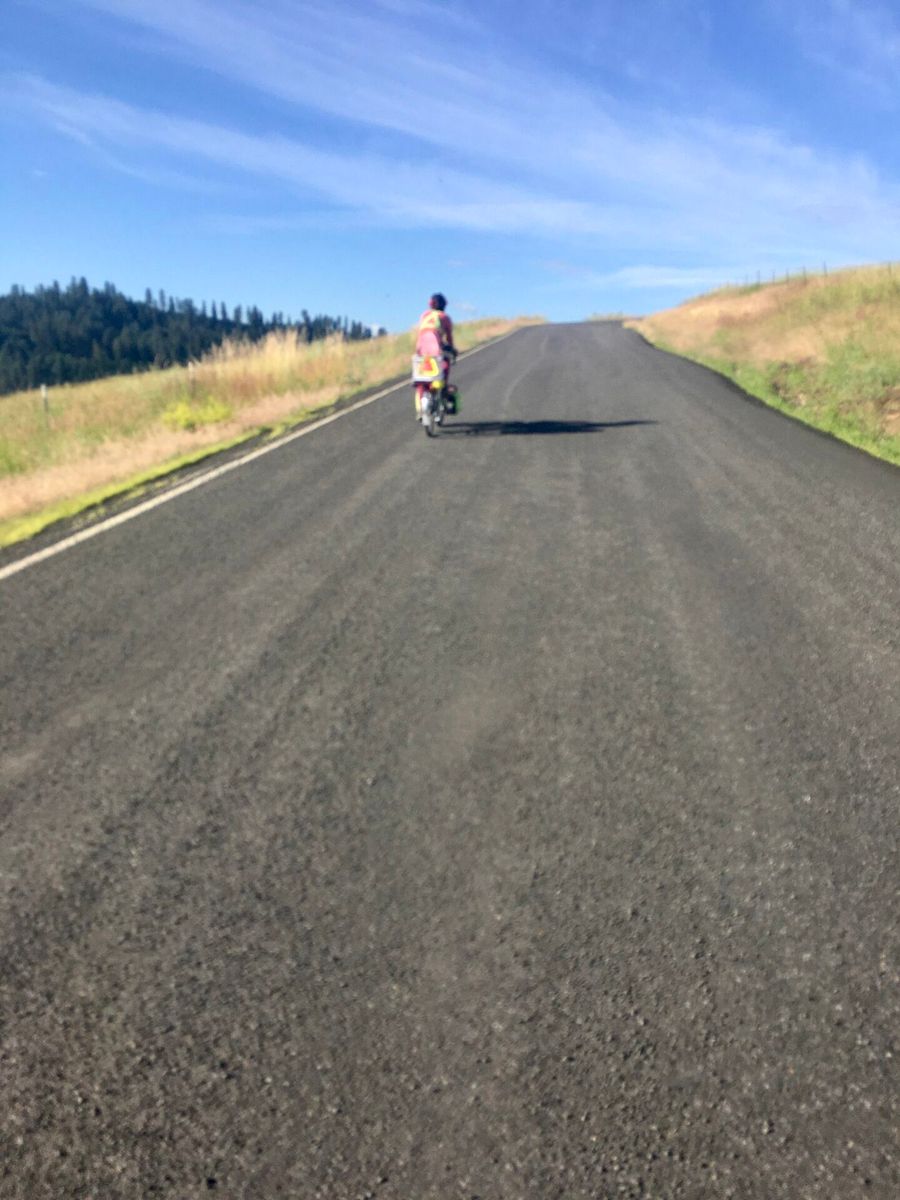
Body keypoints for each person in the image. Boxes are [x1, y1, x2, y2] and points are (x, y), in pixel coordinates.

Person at [414, 293, 457, 419]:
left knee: (422, 379)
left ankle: (421, 409)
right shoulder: (444, 317)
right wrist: (452, 349)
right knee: (443, 368)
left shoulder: (424, 315)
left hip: (420, 350)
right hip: (436, 349)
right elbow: (448, 337)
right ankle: (442, 390)